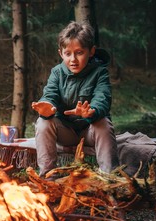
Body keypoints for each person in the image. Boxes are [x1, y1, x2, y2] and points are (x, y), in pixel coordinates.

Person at [31, 21, 119, 179]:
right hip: (66, 132)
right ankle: (48, 176)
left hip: (90, 131)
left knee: (103, 123)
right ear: (61, 53)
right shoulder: (57, 73)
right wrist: (47, 107)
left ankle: (110, 177)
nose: (73, 59)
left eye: (79, 53)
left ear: (91, 52)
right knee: (43, 123)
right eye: (68, 53)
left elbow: (103, 97)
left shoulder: (100, 72)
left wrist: (91, 111)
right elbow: (50, 94)